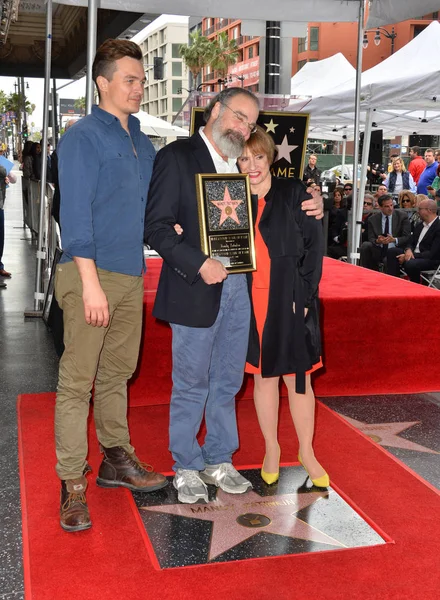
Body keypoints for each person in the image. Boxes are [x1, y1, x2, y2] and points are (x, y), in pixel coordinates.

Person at [144, 88, 323, 505]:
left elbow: (281, 203)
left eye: (250, 122)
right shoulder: (176, 157)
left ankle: (218, 458)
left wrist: (312, 201)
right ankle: (186, 465)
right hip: (195, 288)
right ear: (215, 111)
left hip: (240, 290)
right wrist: (197, 261)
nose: (244, 128)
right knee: (191, 383)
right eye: (239, 117)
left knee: (226, 381)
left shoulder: (240, 165)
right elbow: (154, 226)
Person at [55, 38, 167, 533]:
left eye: (141, 79)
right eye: (130, 79)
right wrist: (89, 282)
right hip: (90, 274)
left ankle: (115, 460)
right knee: (77, 381)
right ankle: (70, 483)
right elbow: (74, 213)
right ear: (103, 82)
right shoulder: (83, 137)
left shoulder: (142, 141)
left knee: (118, 374)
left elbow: (140, 210)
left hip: (131, 273)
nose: (139, 87)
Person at [237, 127, 328, 488]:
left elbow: (314, 248)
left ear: (270, 157)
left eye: (258, 156)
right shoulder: (228, 196)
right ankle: (271, 448)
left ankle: (306, 451)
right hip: (249, 300)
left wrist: (305, 300)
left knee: (298, 377)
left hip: (291, 298)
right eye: (244, 158)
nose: (252, 165)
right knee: (264, 376)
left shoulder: (296, 193)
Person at [387, 199, 440, 282]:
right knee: (392, 252)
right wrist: (408, 250)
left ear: (429, 210)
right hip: (413, 255)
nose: (417, 211)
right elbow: (410, 241)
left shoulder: (438, 227)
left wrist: (409, 256)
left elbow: (433, 253)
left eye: (420, 209)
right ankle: (394, 282)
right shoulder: (420, 225)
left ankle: (416, 285)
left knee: (411, 263)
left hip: (430, 259)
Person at [360, 194, 410, 272]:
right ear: (380, 207)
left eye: (391, 205)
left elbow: (407, 237)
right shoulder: (372, 219)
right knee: (366, 245)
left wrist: (394, 240)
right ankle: (369, 273)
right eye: (387, 206)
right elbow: (371, 238)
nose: (390, 209)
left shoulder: (402, 216)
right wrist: (378, 241)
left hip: (394, 249)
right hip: (379, 248)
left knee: (389, 257)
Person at [0, 149, 16, 280]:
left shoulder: (2, 163)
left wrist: (6, 178)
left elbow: (14, 178)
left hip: (0, 204)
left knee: (0, 237)